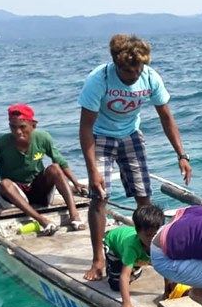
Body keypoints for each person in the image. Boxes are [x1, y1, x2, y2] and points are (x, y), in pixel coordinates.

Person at [79, 34, 193, 282]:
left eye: (137, 70)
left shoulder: (150, 77)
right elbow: (85, 127)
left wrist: (181, 155)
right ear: (115, 64)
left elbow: (166, 116)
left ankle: (152, 253)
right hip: (100, 137)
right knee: (99, 197)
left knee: (144, 199)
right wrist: (92, 171)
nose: (132, 76)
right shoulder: (99, 80)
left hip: (131, 135)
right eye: (127, 71)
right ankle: (98, 259)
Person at [0, 104, 86, 234]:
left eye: (22, 127)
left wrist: (75, 183)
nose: (18, 131)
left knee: (54, 168)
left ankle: (74, 215)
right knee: (4, 184)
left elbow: (59, 160)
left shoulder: (43, 138)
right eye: (13, 127)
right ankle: (42, 221)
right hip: (14, 194)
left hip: (37, 190)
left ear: (33, 125)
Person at [103, 204, 165, 307]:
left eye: (155, 234)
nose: (152, 239)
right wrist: (126, 303)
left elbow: (167, 270)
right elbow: (124, 276)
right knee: (116, 285)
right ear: (137, 231)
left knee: (140, 262)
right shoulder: (132, 247)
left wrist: (167, 293)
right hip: (113, 244)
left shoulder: (162, 242)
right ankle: (113, 267)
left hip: (129, 244)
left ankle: (135, 267)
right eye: (147, 235)